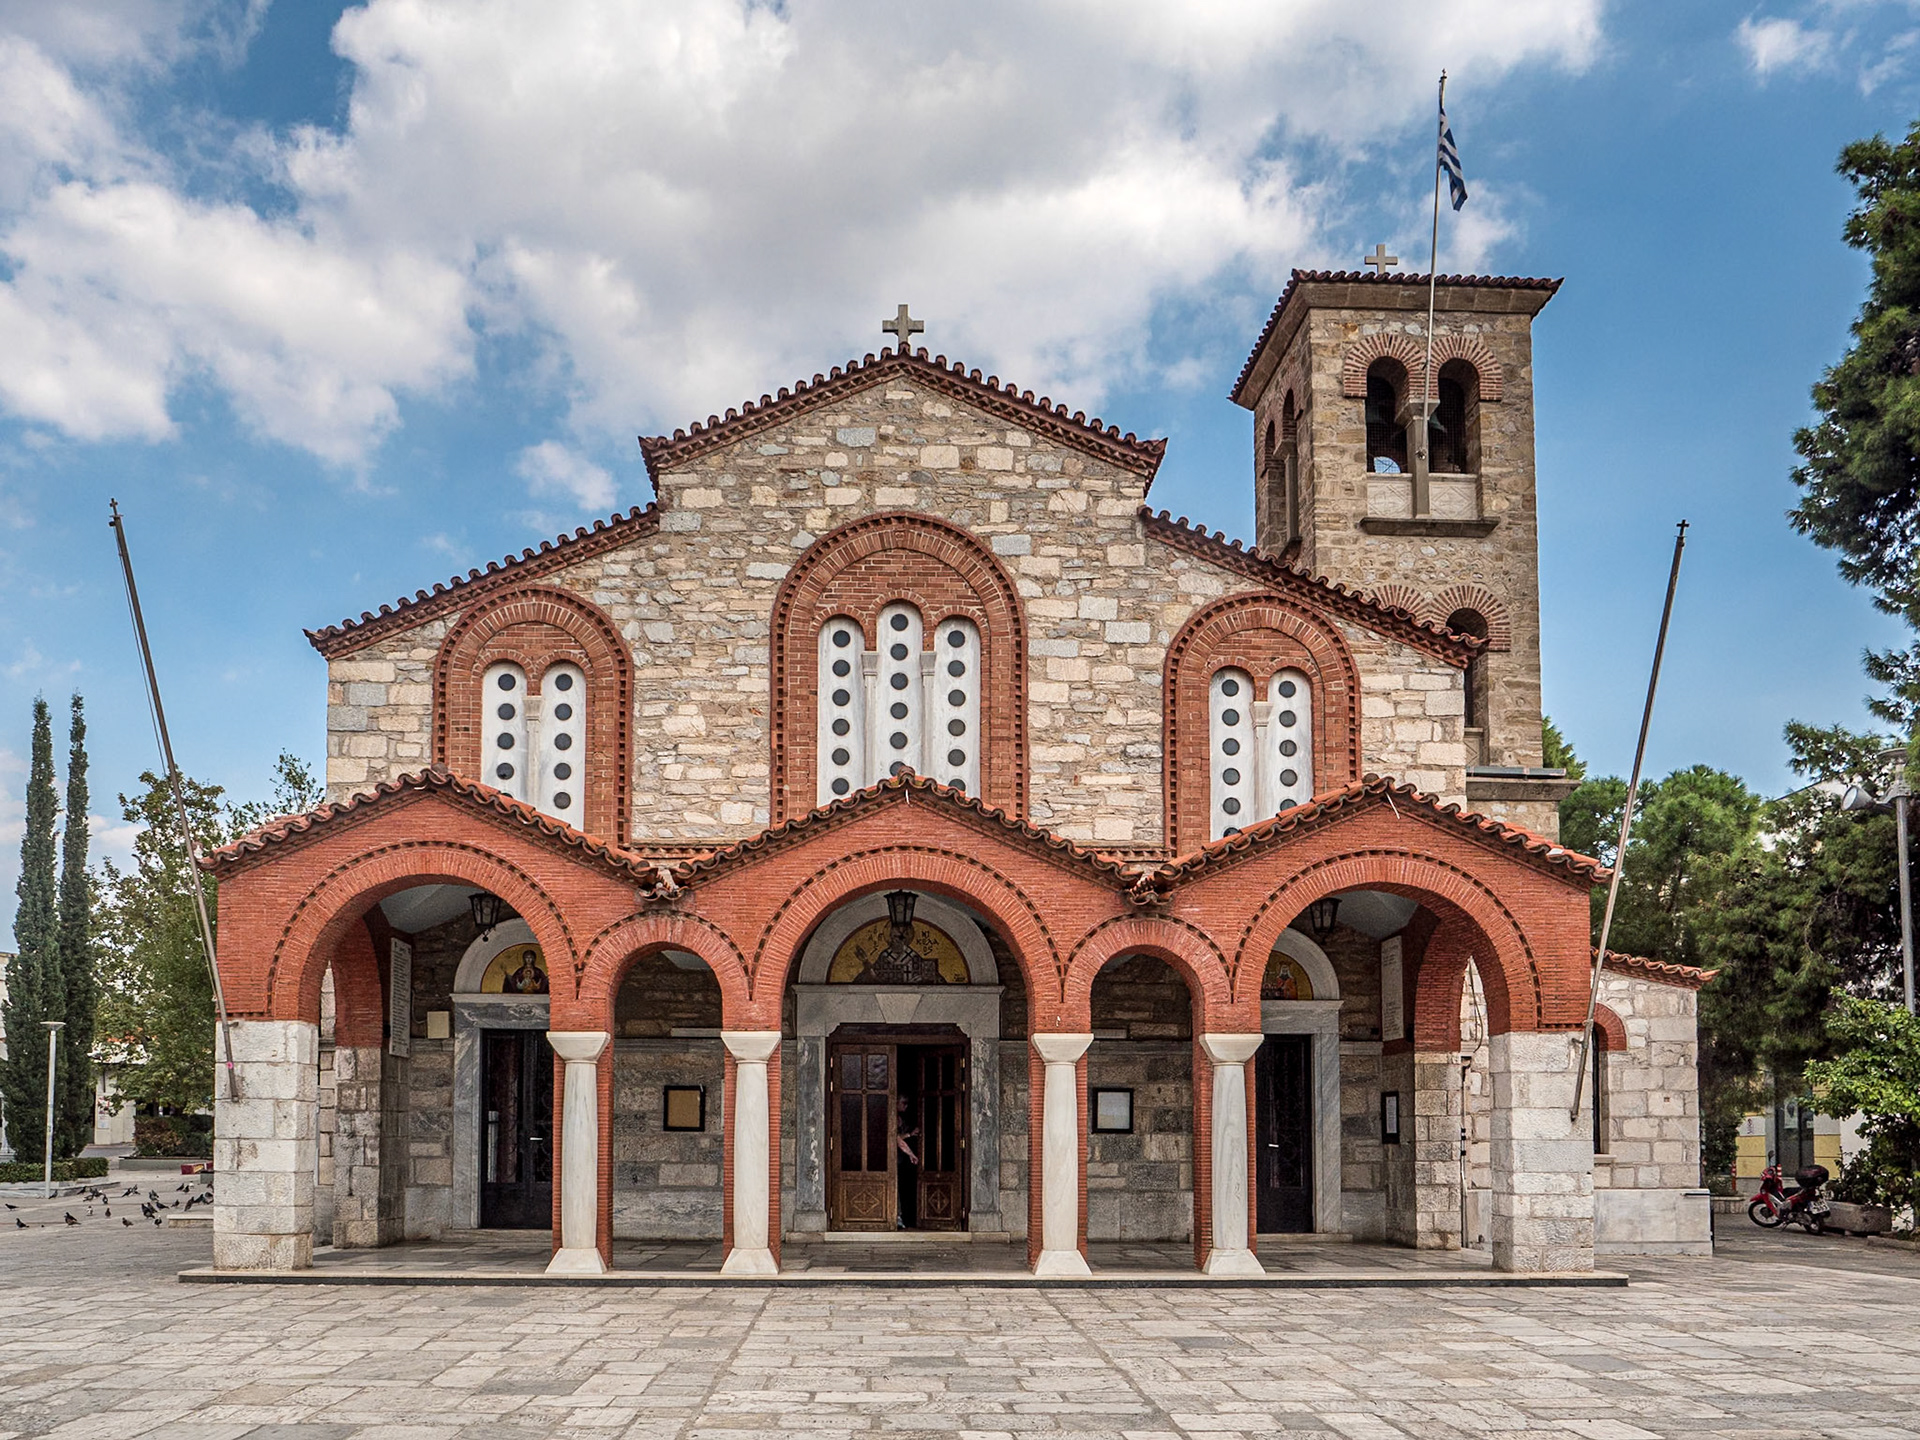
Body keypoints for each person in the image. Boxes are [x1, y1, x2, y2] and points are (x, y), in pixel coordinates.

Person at [894, 1095, 921, 1230]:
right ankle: (896, 1217)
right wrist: (911, 1154)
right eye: (903, 1103)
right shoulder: (890, 1117)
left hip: (901, 1160)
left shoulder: (901, 1119)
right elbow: (895, 1138)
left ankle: (902, 1217)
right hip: (890, 1160)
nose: (906, 1106)